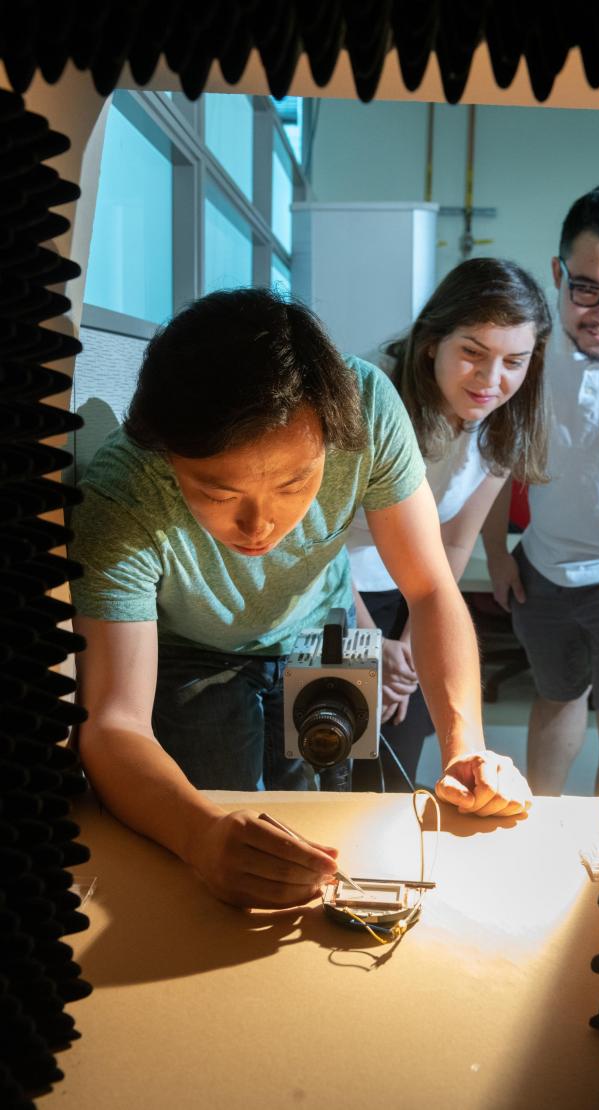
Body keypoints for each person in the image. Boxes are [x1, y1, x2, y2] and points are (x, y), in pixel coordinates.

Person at [69, 288, 532, 912]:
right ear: (166, 455)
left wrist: (466, 745)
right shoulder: (124, 493)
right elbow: (113, 723)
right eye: (216, 492)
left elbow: (428, 588)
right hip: (190, 649)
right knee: (226, 832)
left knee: (325, 814)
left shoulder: (364, 405)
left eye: (295, 484)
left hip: (317, 624)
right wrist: (199, 834)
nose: (259, 524)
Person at [483, 184, 599, 796]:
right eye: (586, 289)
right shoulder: (525, 354)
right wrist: (497, 553)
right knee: (556, 697)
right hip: (543, 567)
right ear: (558, 273)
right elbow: (495, 460)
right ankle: (540, 828)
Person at [346, 257, 551, 790]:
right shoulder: (369, 396)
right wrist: (368, 642)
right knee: (332, 752)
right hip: (331, 587)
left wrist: (411, 643)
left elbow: (456, 540)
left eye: (515, 361)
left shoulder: (505, 415)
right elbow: (313, 539)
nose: (491, 379)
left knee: (395, 759)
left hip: (415, 587)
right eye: (473, 354)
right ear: (434, 340)